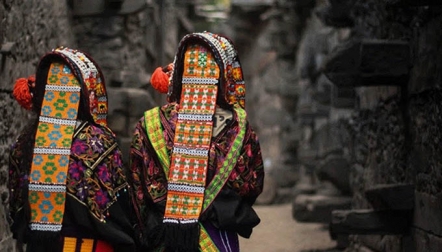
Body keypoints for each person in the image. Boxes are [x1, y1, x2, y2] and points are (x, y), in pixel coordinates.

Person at [128, 32, 265, 252]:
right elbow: (250, 184)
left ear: (180, 72)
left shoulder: (150, 123)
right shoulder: (237, 125)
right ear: (224, 75)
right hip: (217, 234)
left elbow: (138, 186)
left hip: (164, 236)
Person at [8, 47, 136, 252]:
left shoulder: (24, 142)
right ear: (86, 95)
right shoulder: (98, 141)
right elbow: (118, 208)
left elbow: (16, 211)